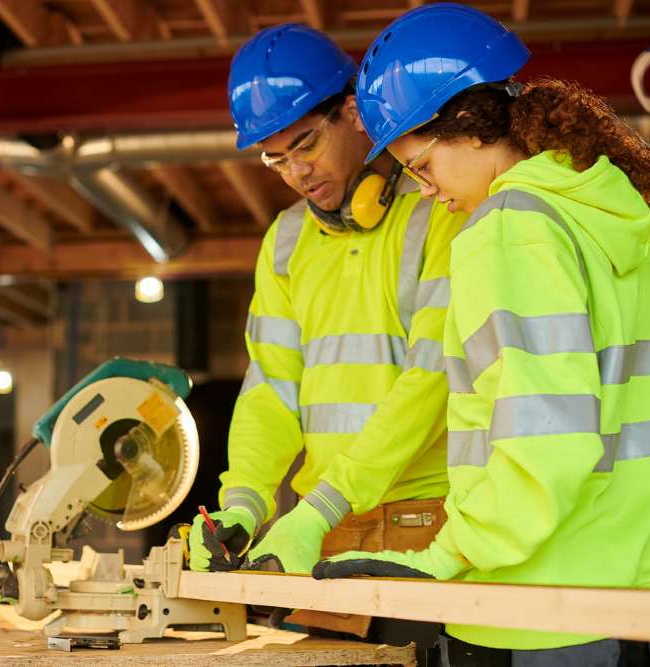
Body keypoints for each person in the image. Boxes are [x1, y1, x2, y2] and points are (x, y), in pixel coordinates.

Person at [315, 4, 650, 665]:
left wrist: (447, 555)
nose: (424, 191)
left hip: (528, 610)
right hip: (619, 605)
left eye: (421, 164)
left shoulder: (509, 226)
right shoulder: (603, 219)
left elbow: (548, 436)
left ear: (472, 127)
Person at [187, 23, 466, 652]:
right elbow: (271, 391)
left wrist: (323, 505)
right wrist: (246, 503)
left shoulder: (440, 212)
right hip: (322, 535)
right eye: (275, 157)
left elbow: (432, 379)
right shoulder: (285, 242)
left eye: (306, 144)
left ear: (353, 112)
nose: (296, 172)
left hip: (426, 524)